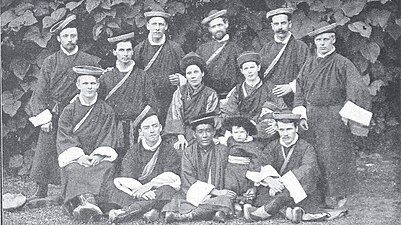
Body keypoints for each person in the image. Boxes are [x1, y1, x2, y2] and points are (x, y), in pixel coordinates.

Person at [293, 24, 371, 209]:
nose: (322, 43)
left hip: (334, 115)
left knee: (334, 155)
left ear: (333, 40)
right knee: (313, 155)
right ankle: (316, 193)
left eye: (326, 39)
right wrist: (301, 114)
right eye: (318, 40)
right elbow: (300, 89)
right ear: (314, 42)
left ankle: (337, 193)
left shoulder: (343, 63)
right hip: (311, 115)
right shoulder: (309, 63)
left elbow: (356, 89)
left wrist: (347, 113)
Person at [28, 14, 100, 200]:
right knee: (46, 145)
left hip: (80, 111)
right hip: (56, 111)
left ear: (77, 38)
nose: (70, 40)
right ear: (59, 38)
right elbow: (40, 92)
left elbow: (101, 85)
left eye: (73, 36)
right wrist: (43, 118)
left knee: (78, 146)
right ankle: (41, 187)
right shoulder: (50, 62)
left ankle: (78, 189)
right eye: (66, 36)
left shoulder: (89, 60)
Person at [56, 66, 117, 221]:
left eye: (92, 83)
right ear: (78, 85)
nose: (89, 87)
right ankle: (85, 201)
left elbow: (108, 134)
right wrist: (79, 156)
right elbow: (65, 136)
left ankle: (94, 203)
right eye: (85, 83)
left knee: (106, 167)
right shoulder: (69, 110)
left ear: (98, 85)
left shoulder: (106, 109)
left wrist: (98, 155)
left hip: (98, 156)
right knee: (74, 169)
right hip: (77, 157)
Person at [106, 106, 181, 223]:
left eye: (155, 126)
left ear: (161, 128)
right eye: (147, 127)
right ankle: (150, 210)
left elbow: (172, 176)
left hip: (157, 190)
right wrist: (143, 191)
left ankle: (128, 212)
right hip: (137, 192)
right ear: (140, 132)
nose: (152, 130)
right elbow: (126, 177)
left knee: (168, 190)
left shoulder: (169, 150)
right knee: (114, 186)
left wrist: (150, 186)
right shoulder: (133, 151)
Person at [245, 112, 320, 223]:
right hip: (275, 188)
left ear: (296, 128)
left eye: (289, 129)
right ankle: (289, 212)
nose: (285, 134)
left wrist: (282, 182)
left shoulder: (306, 147)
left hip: (296, 188)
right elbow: (262, 164)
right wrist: (270, 180)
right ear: (277, 130)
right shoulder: (272, 146)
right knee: (263, 191)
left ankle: (267, 210)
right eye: (282, 130)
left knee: (305, 179)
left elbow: (308, 168)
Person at [163, 112, 236, 223]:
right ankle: (213, 212)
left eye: (208, 131)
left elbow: (229, 174)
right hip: (195, 194)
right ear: (194, 134)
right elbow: (188, 179)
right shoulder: (188, 152)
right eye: (200, 132)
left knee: (226, 199)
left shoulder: (222, 150)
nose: (205, 135)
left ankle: (188, 215)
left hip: (217, 194)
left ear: (214, 132)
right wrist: (214, 191)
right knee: (177, 200)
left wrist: (224, 191)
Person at [99, 32, 158, 163]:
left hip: (136, 127)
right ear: (114, 52)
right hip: (112, 128)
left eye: (128, 50)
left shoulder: (142, 76)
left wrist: (140, 124)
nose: (125, 54)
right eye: (121, 50)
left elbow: (151, 104)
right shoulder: (106, 77)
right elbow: (99, 105)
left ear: (132, 52)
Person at [133, 9, 185, 124]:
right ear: (147, 26)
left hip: (170, 100)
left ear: (166, 27)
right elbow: (133, 74)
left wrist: (180, 78)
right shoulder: (139, 49)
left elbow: (187, 71)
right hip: (146, 101)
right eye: (154, 24)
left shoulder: (175, 49)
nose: (157, 28)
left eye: (161, 24)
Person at [164, 52, 219, 154]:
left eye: (196, 72)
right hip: (181, 131)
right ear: (186, 76)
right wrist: (180, 137)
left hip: (203, 131)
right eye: (189, 73)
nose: (193, 76)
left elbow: (211, 118)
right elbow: (175, 115)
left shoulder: (210, 93)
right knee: (177, 149)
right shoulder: (180, 92)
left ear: (202, 74)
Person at [224, 51, 287, 138]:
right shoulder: (237, 91)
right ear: (241, 71)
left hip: (264, 130)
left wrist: (276, 123)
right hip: (243, 131)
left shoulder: (270, 88)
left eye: (252, 67)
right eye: (246, 69)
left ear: (258, 67)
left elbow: (283, 109)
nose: (249, 71)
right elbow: (230, 114)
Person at [259, 8, 309, 107]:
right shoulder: (266, 48)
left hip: (294, 99)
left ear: (290, 24)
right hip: (270, 100)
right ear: (272, 26)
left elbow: (308, 73)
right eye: (276, 24)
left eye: (283, 23)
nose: (280, 27)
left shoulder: (301, 47)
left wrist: (291, 87)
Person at [196, 9, 243, 99]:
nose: (217, 29)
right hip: (207, 96)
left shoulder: (237, 49)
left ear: (226, 24)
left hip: (230, 97)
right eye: (213, 27)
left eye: (220, 25)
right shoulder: (202, 49)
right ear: (209, 29)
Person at [222, 116, 263, 217]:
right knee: (231, 185)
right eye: (236, 132)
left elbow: (256, 160)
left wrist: (253, 175)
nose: (239, 135)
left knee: (245, 187)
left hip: (245, 170)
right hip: (231, 169)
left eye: (241, 132)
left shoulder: (252, 145)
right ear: (231, 133)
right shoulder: (230, 141)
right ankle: (235, 204)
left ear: (247, 133)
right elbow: (223, 144)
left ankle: (247, 204)